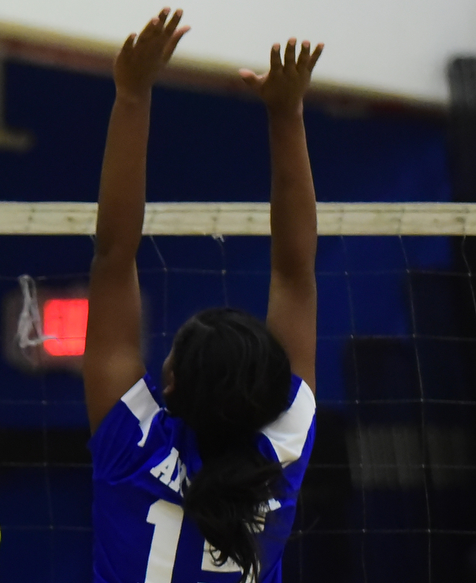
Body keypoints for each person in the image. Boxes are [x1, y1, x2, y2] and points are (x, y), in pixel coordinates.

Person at [83, 8, 321, 583]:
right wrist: (287, 115)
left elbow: (116, 252)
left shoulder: (132, 446)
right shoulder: (280, 456)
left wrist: (132, 96)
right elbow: (296, 273)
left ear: (170, 384)